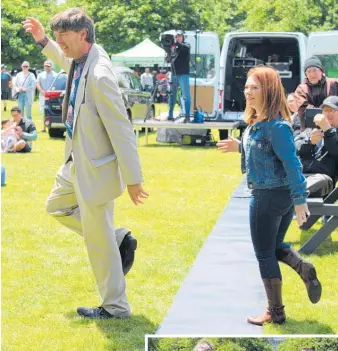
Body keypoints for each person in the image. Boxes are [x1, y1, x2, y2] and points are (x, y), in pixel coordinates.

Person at [24, 8, 148, 319]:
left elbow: (121, 130)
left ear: (83, 35)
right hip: (74, 163)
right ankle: (116, 238)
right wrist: (42, 40)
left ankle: (115, 306)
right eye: (57, 37)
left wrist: (134, 179)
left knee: (97, 240)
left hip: (94, 169)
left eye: (63, 37)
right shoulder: (82, 59)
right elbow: (64, 58)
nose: (59, 43)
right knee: (55, 205)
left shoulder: (100, 74)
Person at [217, 65, 322, 326]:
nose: (248, 92)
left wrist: (300, 201)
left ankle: (275, 312)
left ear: (269, 90)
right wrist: (238, 146)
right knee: (274, 247)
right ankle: (303, 268)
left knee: (264, 253)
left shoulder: (277, 126)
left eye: (254, 87)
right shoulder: (259, 123)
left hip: (269, 197)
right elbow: (266, 151)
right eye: (247, 87)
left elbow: (292, 163)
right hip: (278, 196)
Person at [295, 95, 338, 198]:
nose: (328, 113)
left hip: (322, 179)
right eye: (326, 110)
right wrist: (310, 142)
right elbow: (295, 147)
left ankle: (292, 195)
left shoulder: (334, 133)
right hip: (301, 175)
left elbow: (335, 150)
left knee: (320, 180)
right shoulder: (311, 130)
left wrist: (328, 130)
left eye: (333, 110)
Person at [294, 56, 338, 129]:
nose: (312, 74)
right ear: (306, 75)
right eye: (308, 71)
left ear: (321, 71)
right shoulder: (301, 89)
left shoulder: (334, 84)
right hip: (310, 129)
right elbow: (304, 109)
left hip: (334, 127)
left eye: (314, 70)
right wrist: (326, 113)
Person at [168, 30, 191, 123]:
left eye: (179, 36)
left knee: (186, 96)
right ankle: (170, 115)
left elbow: (184, 48)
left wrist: (176, 43)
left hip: (183, 75)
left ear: (183, 37)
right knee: (172, 95)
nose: (178, 38)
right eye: (176, 36)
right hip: (174, 74)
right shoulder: (173, 48)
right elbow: (168, 59)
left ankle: (187, 117)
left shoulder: (186, 45)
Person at [36, 60, 57, 132]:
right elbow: (38, 84)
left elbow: (56, 85)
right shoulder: (40, 75)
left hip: (52, 96)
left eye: (48, 66)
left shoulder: (55, 75)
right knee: (43, 111)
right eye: (46, 66)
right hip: (43, 95)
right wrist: (42, 92)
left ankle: (51, 127)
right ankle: (44, 127)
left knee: (51, 111)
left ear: (51, 67)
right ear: (44, 66)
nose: (47, 67)